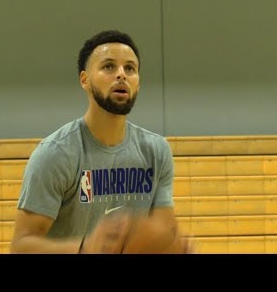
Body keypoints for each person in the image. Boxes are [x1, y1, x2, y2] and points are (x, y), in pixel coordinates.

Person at [11, 29, 193, 254]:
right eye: (108, 66)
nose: (121, 75)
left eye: (130, 68)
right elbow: (21, 246)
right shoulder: (56, 153)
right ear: (85, 80)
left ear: (139, 83)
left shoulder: (156, 151)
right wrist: (85, 248)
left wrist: (172, 246)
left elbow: (163, 230)